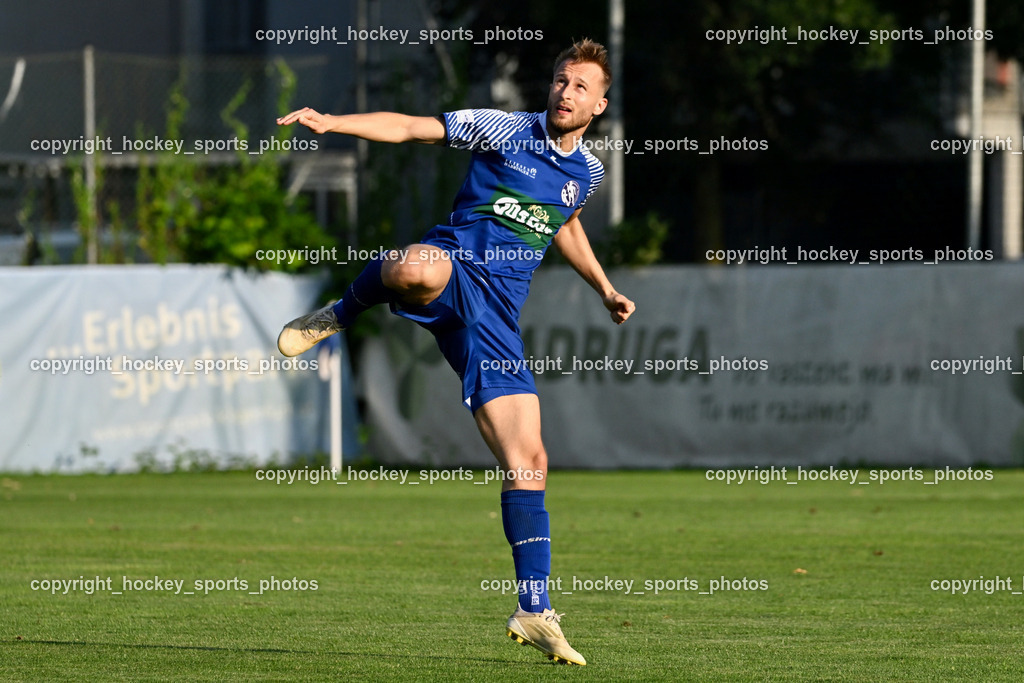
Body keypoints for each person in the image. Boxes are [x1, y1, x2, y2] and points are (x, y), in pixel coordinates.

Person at [276, 38, 635, 666]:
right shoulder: (502, 127)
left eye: (581, 86)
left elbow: (565, 222)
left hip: (495, 319)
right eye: (559, 80)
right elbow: (414, 128)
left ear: (599, 104)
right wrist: (333, 122)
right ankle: (338, 313)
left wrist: (604, 287)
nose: (565, 92)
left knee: (530, 461)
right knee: (415, 267)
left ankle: (534, 607)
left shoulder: (588, 173)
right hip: (454, 268)